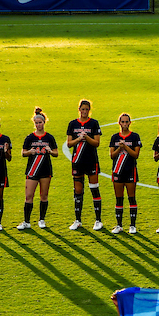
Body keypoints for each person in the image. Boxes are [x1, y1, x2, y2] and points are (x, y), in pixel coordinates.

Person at [66, 99, 103, 231]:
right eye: (83, 109)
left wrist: (87, 137)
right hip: (77, 161)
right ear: (79, 109)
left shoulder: (94, 123)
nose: (84, 111)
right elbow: (69, 144)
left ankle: (98, 220)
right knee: (78, 191)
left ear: (89, 110)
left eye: (87, 109)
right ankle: (77, 220)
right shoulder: (72, 124)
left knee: (94, 188)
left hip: (91, 160)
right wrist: (79, 139)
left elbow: (97, 143)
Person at [18, 108, 58, 230]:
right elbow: (23, 153)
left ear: (44, 122)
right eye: (36, 123)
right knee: (29, 195)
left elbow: (56, 153)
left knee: (44, 195)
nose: (38, 125)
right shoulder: (30, 138)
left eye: (40, 122)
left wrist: (50, 151)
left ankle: (41, 220)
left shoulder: (49, 138)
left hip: (45, 170)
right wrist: (30, 152)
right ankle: (26, 221)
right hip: (32, 170)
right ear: (34, 123)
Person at [108, 113, 142, 234]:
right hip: (117, 171)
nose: (124, 124)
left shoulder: (134, 137)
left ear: (130, 123)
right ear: (119, 123)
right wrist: (119, 148)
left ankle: (132, 225)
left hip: (130, 171)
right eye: (122, 122)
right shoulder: (114, 137)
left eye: (126, 122)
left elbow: (135, 155)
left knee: (131, 198)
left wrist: (126, 147)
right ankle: (119, 225)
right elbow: (112, 155)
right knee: (119, 199)